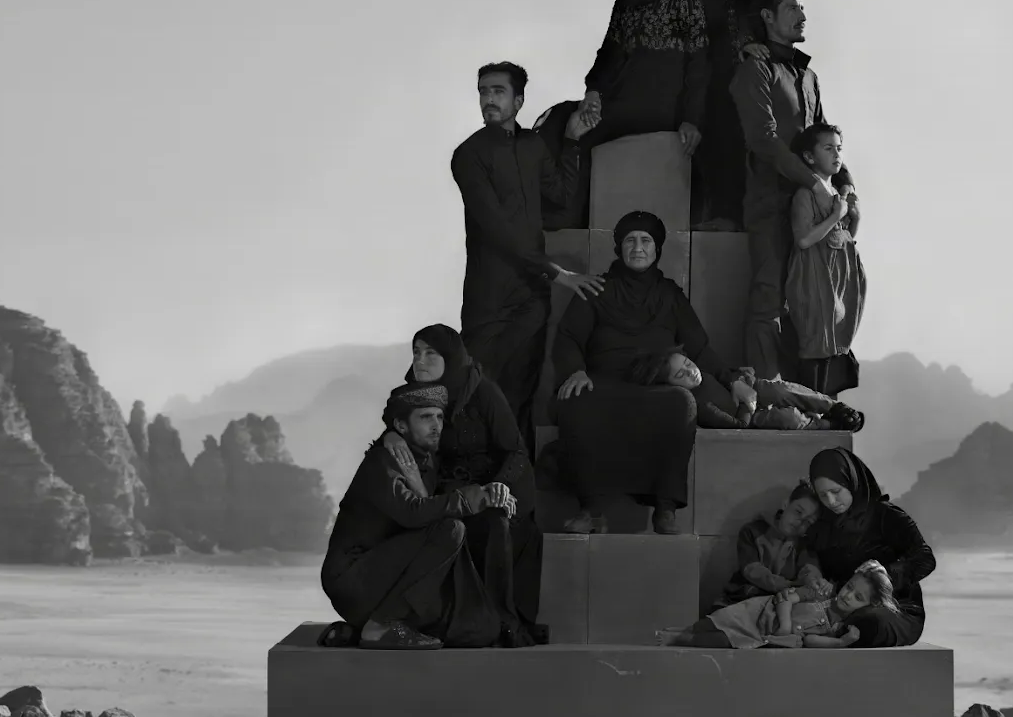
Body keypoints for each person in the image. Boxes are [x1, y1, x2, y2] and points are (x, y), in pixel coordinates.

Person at [548, 210, 756, 535]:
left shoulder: (670, 295)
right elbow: (568, 339)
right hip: (603, 381)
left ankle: (666, 508)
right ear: (619, 247)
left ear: (657, 248)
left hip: (656, 383)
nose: (638, 247)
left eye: (645, 240)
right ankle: (591, 508)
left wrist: (733, 381)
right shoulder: (597, 289)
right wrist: (575, 371)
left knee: (681, 404)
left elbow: (699, 347)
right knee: (578, 401)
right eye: (630, 240)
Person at [452, 61, 606, 451]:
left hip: (530, 299)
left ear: (518, 100)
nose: (488, 99)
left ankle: (517, 501)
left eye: (497, 91)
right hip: (489, 298)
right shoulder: (468, 155)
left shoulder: (532, 145)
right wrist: (557, 273)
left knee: (521, 400)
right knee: (477, 398)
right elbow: (498, 230)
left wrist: (571, 140)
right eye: (483, 91)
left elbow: (561, 195)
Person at [379, 324, 545, 645]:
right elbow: (394, 420)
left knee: (493, 521)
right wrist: (390, 433)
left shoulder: (483, 393)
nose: (420, 360)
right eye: (416, 352)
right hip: (445, 487)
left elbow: (515, 451)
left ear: (451, 357)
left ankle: (499, 620)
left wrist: (499, 485)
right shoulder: (411, 395)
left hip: (495, 480)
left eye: (430, 353)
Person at [317, 382, 509, 651]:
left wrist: (492, 493)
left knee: (477, 629)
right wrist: (472, 498)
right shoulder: (383, 460)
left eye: (439, 416)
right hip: (352, 579)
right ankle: (380, 625)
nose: (436, 425)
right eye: (425, 417)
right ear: (401, 425)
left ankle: (361, 629)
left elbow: (443, 499)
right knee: (451, 530)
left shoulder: (427, 461)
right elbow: (412, 512)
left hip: (388, 575)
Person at [560, 0, 710, 229]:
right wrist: (593, 92)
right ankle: (575, 227)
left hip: (664, 106)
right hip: (620, 100)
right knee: (568, 127)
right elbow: (608, 52)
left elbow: (699, 62)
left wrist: (692, 117)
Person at [731, 0, 842, 387]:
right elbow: (762, 139)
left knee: (813, 301)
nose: (803, 15)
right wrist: (813, 184)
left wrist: (844, 189)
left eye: (802, 8)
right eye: (793, 8)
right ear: (767, 16)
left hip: (813, 205)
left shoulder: (808, 76)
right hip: (770, 198)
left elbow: (824, 137)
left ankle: (808, 396)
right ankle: (766, 392)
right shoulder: (753, 69)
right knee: (769, 296)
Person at [679, 0, 761, 231]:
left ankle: (727, 214)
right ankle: (697, 214)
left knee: (725, 124)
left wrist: (742, 39)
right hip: (692, 37)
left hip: (726, 37)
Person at [804, 446, 936, 642]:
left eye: (836, 491)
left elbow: (926, 558)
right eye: (823, 495)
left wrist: (884, 574)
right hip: (841, 603)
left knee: (868, 623)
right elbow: (810, 554)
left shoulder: (887, 515)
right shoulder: (824, 523)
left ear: (852, 481)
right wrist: (813, 572)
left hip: (893, 607)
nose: (831, 501)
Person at [658, 559, 909, 649]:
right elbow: (789, 597)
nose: (847, 595)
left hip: (762, 635)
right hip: (761, 611)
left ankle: (679, 639)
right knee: (715, 622)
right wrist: (786, 623)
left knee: (723, 640)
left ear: (867, 606)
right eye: (849, 587)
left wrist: (841, 643)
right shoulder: (823, 594)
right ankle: (682, 631)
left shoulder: (838, 625)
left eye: (857, 598)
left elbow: (810, 641)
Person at [786, 123, 867, 397]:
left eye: (839, 148)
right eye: (828, 148)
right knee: (815, 342)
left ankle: (828, 405)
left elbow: (843, 239)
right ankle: (812, 406)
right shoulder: (805, 194)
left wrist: (854, 219)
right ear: (809, 157)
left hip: (837, 279)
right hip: (814, 277)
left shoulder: (836, 194)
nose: (836, 155)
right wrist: (835, 216)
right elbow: (804, 240)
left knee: (834, 343)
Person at [622, 345, 865, 432]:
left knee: (779, 389)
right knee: (787, 418)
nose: (690, 371)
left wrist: (740, 376)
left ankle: (833, 407)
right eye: (681, 375)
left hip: (749, 390)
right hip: (749, 415)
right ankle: (827, 425)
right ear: (673, 386)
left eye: (687, 363)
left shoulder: (702, 372)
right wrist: (748, 407)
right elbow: (737, 426)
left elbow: (726, 374)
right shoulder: (699, 405)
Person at [709, 481, 829, 611]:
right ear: (786, 504)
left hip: (775, 604)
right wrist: (789, 586)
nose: (800, 522)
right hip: (739, 597)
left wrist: (812, 581)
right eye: (798, 512)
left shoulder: (804, 544)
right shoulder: (753, 531)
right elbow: (753, 571)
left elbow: (809, 569)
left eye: (808, 522)